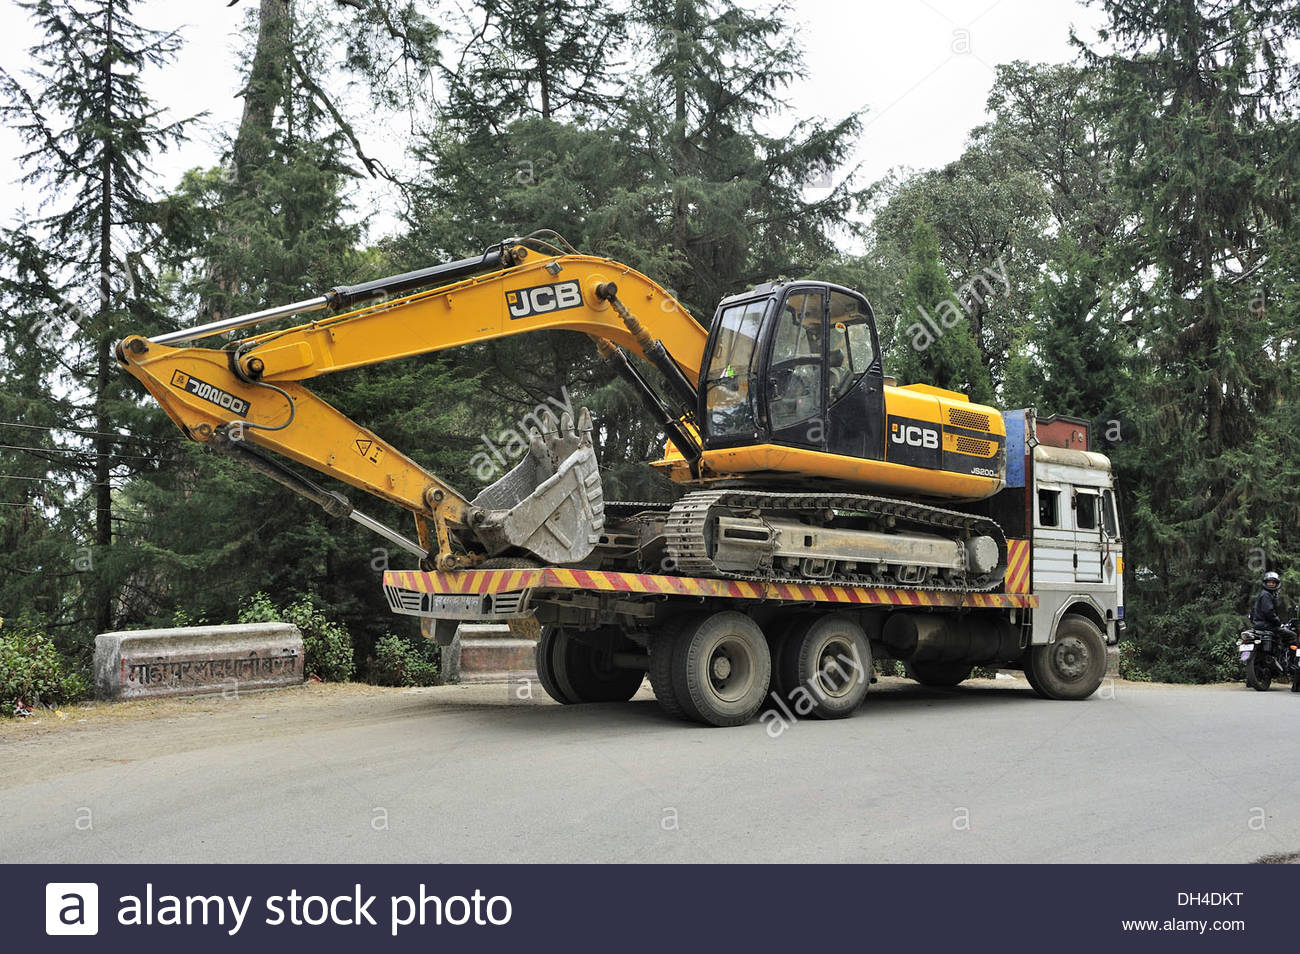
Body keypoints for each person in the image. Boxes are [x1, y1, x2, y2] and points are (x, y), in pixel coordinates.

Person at [1250, 572, 1300, 691]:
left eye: (1273, 582)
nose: (1271, 584)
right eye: (1269, 582)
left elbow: (1252, 613)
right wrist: (1278, 622)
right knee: (1292, 636)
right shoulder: (1267, 595)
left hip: (1258, 626)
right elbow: (1269, 612)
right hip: (1268, 626)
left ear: (1276, 584)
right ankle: (1292, 664)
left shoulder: (1262, 595)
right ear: (1265, 583)